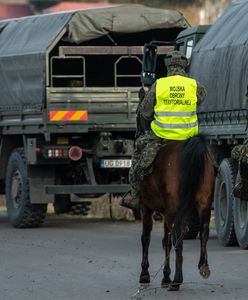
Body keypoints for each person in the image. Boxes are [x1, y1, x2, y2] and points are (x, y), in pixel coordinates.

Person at [120, 50, 206, 209]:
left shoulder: (159, 85)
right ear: (184, 67)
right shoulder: (194, 85)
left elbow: (145, 112)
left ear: (168, 67)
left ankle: (135, 195)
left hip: (162, 136)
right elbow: (201, 99)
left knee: (139, 150)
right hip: (189, 137)